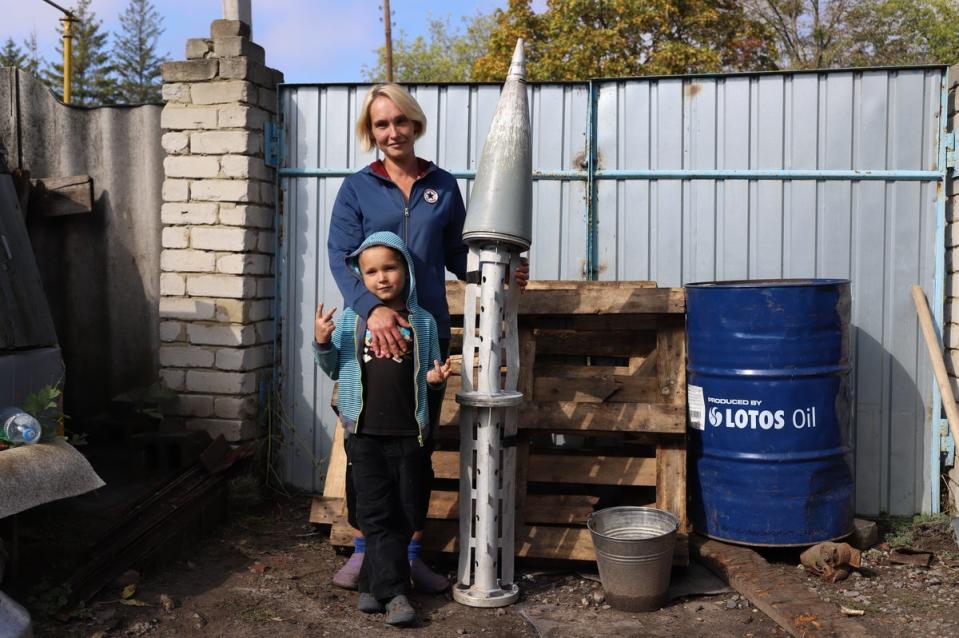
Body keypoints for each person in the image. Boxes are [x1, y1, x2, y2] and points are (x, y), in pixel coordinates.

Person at [326, 83, 529, 593]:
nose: (391, 132)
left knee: (415, 449)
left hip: (426, 336)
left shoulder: (443, 185)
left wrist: (499, 272)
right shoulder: (357, 188)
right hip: (371, 336)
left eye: (399, 121)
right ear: (370, 133)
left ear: (415, 124)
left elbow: (461, 257)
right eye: (380, 124)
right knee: (365, 446)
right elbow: (340, 256)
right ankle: (365, 550)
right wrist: (372, 310)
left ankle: (411, 554)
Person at [314, 231, 452, 626]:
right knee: (375, 512)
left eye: (390, 267)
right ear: (360, 277)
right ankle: (395, 595)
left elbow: (428, 375)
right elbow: (333, 370)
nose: (382, 278)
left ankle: (372, 587)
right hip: (364, 435)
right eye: (371, 271)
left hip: (410, 435)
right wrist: (322, 343)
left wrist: (437, 379)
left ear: (406, 270)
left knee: (406, 510)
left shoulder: (422, 322)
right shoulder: (350, 321)